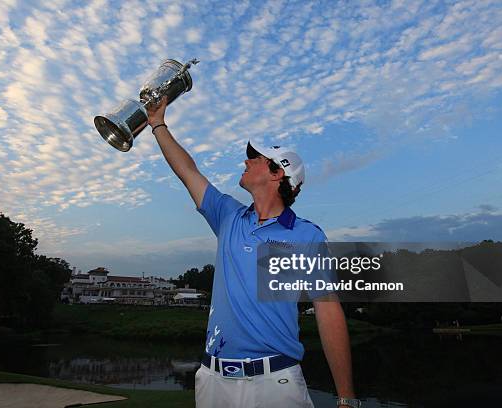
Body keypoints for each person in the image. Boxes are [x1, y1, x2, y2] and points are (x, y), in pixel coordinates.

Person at [146, 96, 360, 408]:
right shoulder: (228, 216)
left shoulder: (307, 235)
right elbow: (188, 171)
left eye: (256, 158)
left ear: (277, 174)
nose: (246, 161)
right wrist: (158, 124)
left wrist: (346, 398)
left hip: (275, 384)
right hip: (212, 381)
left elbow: (328, 311)